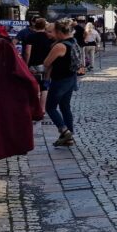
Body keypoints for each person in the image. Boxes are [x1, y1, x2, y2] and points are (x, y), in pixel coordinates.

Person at [43, 18, 81, 147]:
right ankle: (69, 138)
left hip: (60, 80)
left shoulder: (60, 46)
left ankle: (64, 131)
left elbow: (46, 63)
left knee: (50, 107)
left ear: (59, 31)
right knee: (65, 107)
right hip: (71, 78)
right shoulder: (73, 41)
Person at [23, 18, 53, 114]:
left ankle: (34, 108)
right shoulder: (48, 37)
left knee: (33, 86)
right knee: (44, 86)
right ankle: (42, 109)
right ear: (45, 26)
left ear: (35, 25)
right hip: (46, 65)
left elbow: (27, 52)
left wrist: (25, 64)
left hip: (33, 65)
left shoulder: (30, 37)